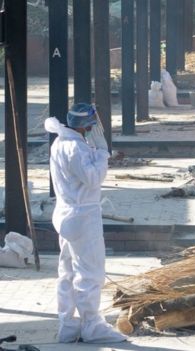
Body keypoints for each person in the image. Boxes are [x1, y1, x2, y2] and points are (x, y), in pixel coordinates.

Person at [45, 103, 126, 344]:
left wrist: (94, 152)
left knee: (67, 271)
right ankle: (92, 325)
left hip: (67, 214)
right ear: (86, 126)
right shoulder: (75, 148)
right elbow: (93, 178)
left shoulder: (61, 142)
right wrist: (102, 154)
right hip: (83, 217)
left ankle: (68, 326)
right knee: (90, 273)